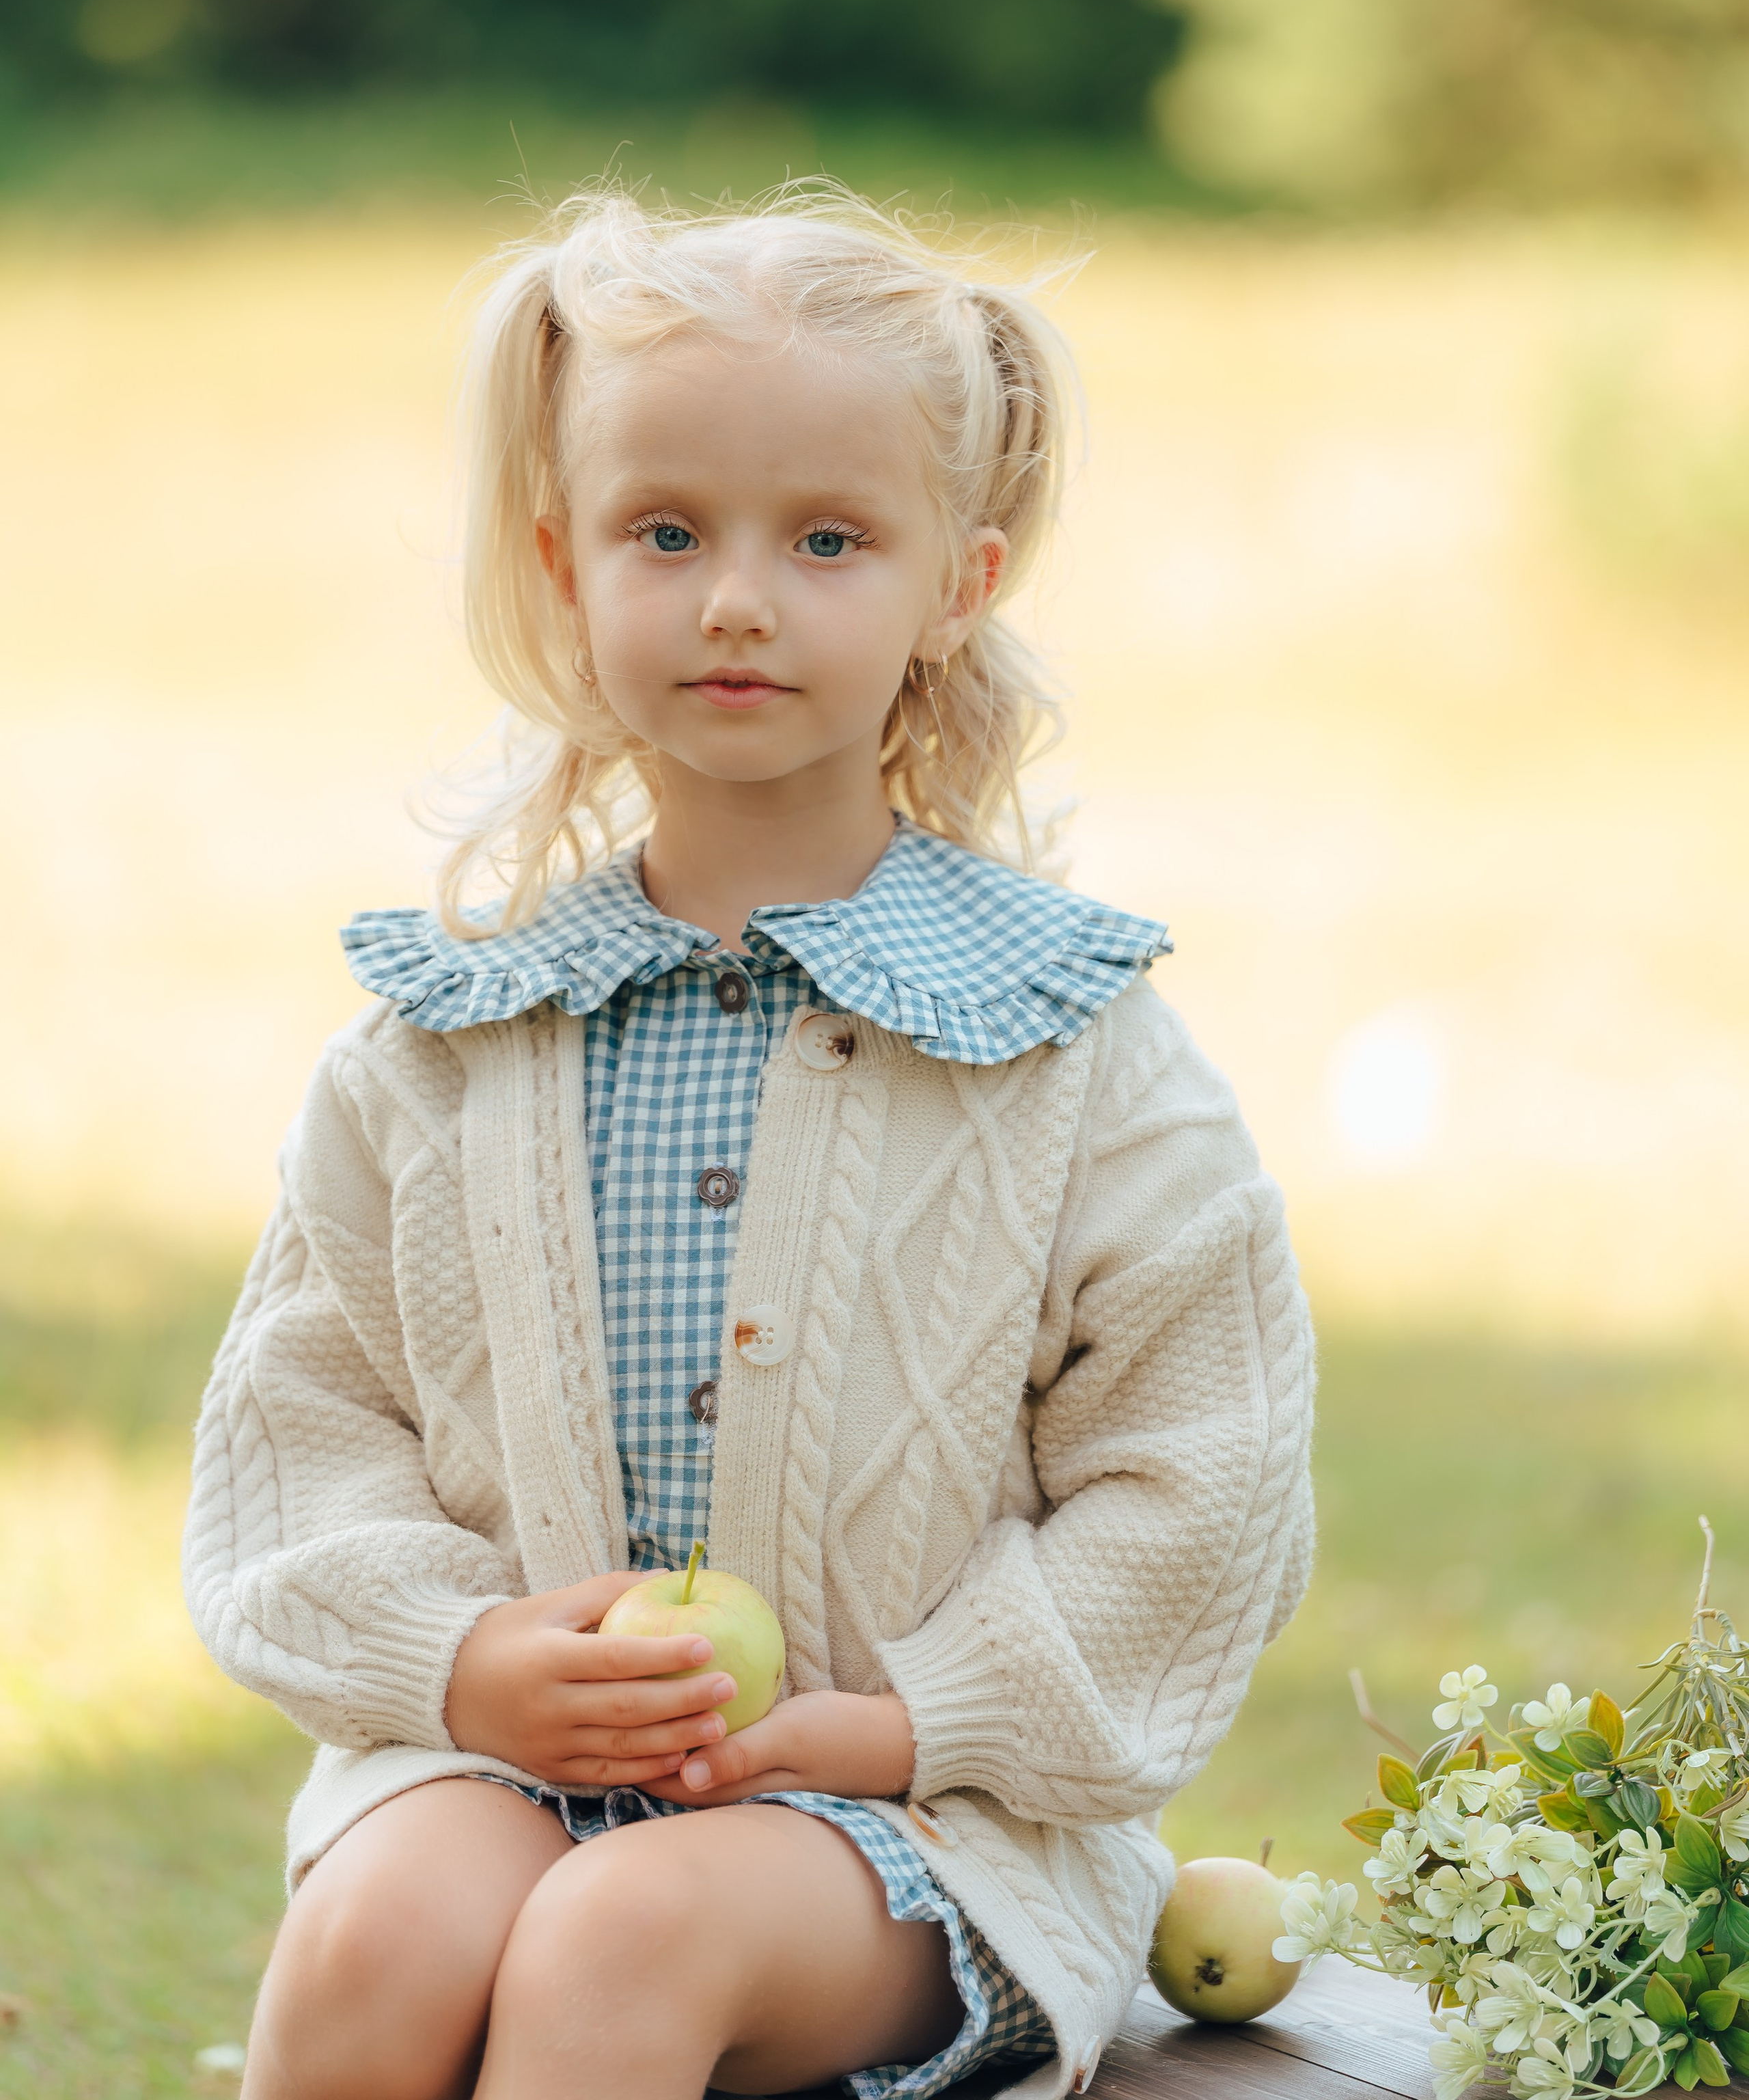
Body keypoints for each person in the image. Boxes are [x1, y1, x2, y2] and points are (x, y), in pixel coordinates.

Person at [183, 188, 1315, 2100]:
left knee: (622, 1940)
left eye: (827, 539)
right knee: (376, 1933)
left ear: (961, 577)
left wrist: (906, 1722)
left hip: (919, 1822)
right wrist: (461, 1662)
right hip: (503, 1766)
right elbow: (307, 1434)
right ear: (563, 565)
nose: (735, 596)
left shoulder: (1073, 1047)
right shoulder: (446, 1040)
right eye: (667, 531)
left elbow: (1201, 1482)